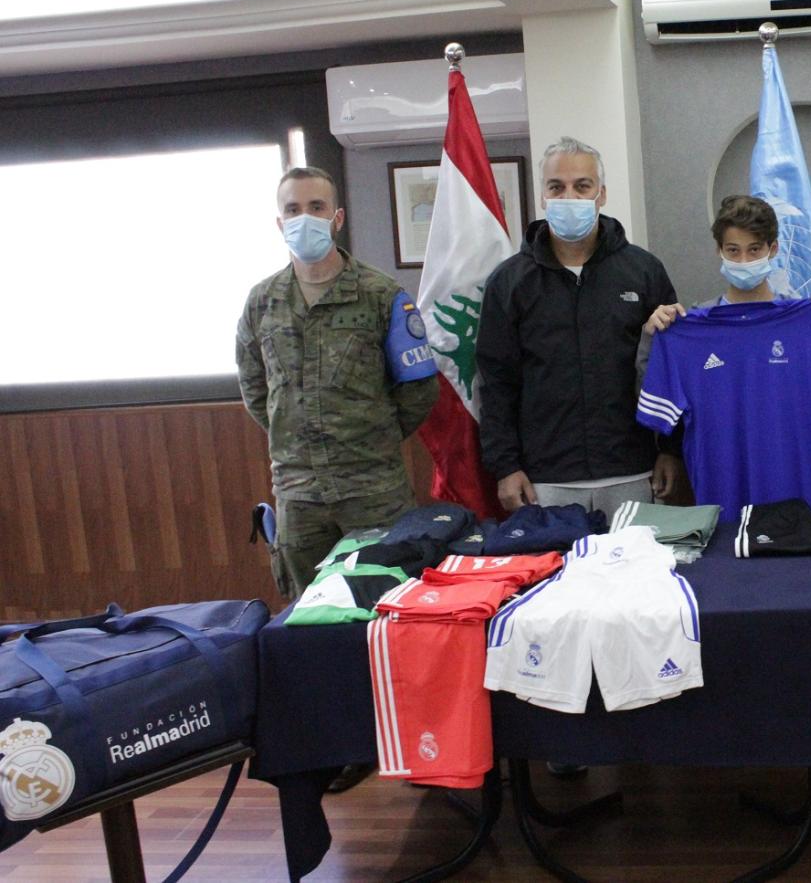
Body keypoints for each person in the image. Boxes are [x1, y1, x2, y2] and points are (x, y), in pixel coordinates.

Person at [237, 167, 439, 600]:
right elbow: (256, 390)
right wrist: (298, 438)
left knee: (389, 606)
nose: (304, 218)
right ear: (280, 223)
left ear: (337, 218)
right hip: (299, 497)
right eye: (293, 209)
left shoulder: (381, 295)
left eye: (316, 207)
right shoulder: (262, 303)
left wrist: (370, 438)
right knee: (307, 615)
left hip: (373, 491)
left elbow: (419, 389)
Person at [477, 137, 682, 518]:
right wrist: (505, 466)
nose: (569, 196)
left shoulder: (643, 271)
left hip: (632, 470)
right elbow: (495, 382)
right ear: (543, 196)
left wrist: (671, 450)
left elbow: (669, 370)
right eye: (557, 187)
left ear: (601, 194)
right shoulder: (508, 282)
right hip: (544, 479)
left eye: (582, 186)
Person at [639, 194, 811, 397]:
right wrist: (651, 339)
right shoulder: (694, 328)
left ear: (773, 249)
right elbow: (655, 403)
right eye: (733, 250)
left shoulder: (807, 325)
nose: (744, 261)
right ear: (719, 250)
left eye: (754, 249)